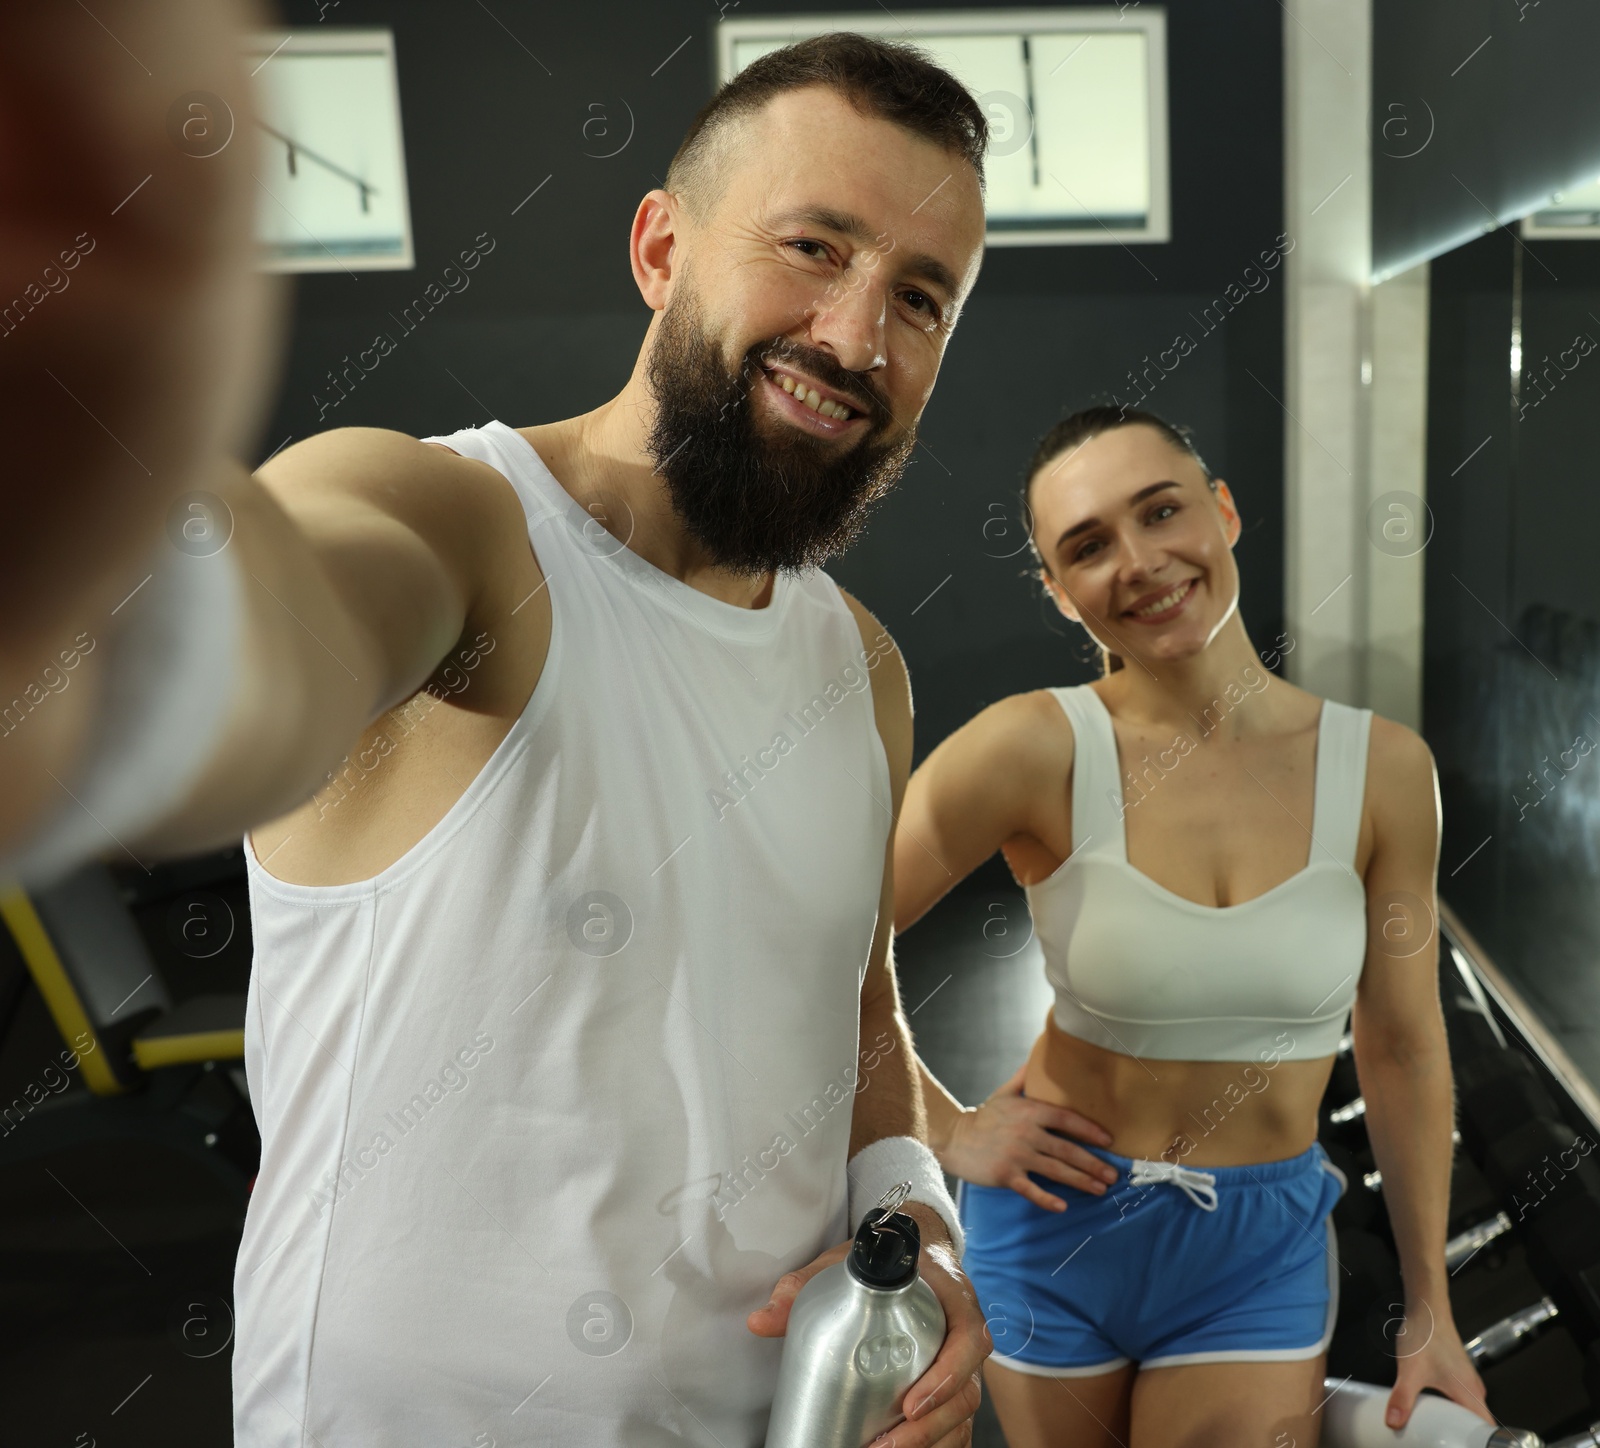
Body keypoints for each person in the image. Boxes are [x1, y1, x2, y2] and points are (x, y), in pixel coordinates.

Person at [2, 14, 995, 1447]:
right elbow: (284, 630)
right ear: (661, 249)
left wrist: (917, 1217)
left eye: (922, 297)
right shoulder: (457, 531)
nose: (857, 337)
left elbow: (858, 998)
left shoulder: (866, 668)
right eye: (814, 248)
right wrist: (78, 571)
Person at [891, 405, 1492, 1445]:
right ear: (1057, 590)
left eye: (1159, 511)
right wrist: (943, 1125)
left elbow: (1399, 1042)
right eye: (1086, 546)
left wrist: (1430, 1308)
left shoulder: (1384, 771)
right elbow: (816, 946)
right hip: (1057, 1231)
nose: (1137, 561)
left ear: (1220, 513)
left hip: (1257, 1246)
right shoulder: (1030, 747)